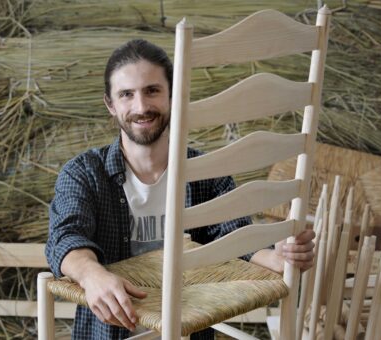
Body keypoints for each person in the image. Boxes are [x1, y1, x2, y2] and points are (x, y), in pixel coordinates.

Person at [45, 39, 316, 340]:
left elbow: (233, 238)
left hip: (189, 331)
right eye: (126, 95)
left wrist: (279, 256)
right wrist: (92, 275)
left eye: (152, 91)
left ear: (172, 95)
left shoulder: (207, 171)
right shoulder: (84, 173)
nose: (141, 107)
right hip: (112, 332)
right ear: (110, 104)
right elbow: (66, 237)